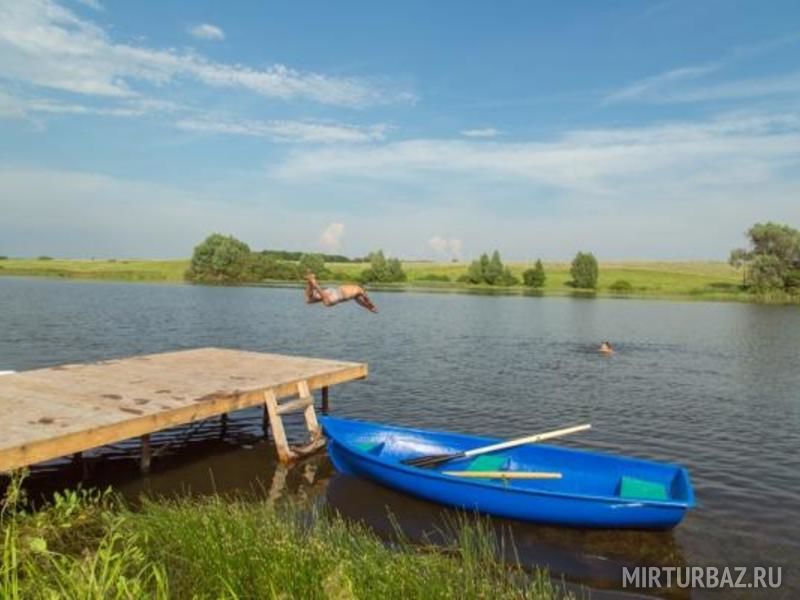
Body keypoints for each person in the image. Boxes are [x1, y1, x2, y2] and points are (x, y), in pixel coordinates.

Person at [304, 272, 378, 313]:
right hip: (336, 296)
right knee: (327, 302)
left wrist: (368, 307)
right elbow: (367, 299)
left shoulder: (354, 292)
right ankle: (314, 283)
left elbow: (361, 302)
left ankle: (310, 283)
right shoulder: (360, 290)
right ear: (363, 287)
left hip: (333, 290)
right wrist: (372, 307)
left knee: (309, 300)